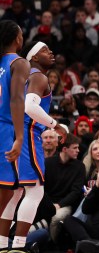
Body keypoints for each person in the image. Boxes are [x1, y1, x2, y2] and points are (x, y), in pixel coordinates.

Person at [0, 41, 66, 252]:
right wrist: (56, 125)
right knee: (35, 191)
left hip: (13, 132)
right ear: (34, 57)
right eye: (45, 50)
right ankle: (18, 246)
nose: (51, 52)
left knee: (15, 192)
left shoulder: (25, 75)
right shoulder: (38, 75)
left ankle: (2, 245)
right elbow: (29, 106)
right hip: (27, 133)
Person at [0, 20, 30, 252]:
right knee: (7, 188)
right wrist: (20, 137)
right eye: (21, 33)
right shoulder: (19, 63)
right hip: (5, 129)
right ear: (16, 39)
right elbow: (17, 99)